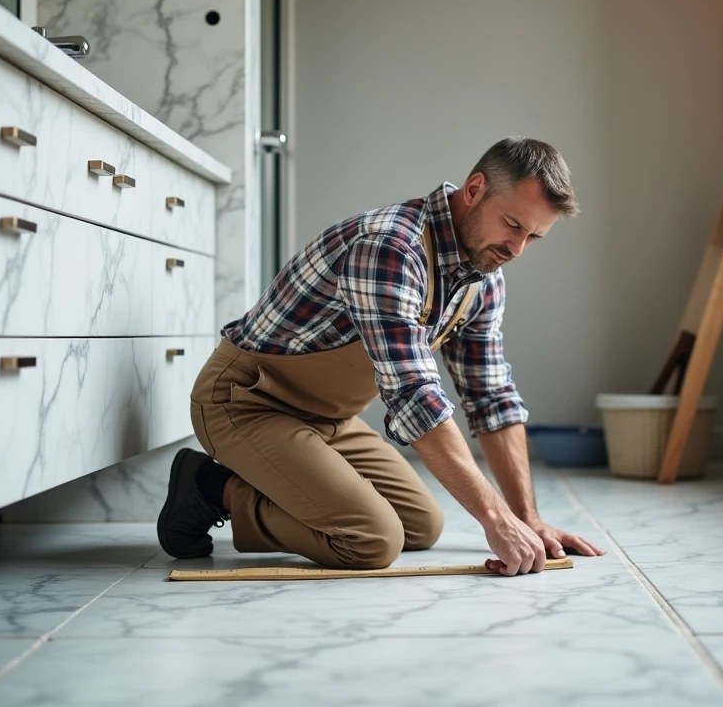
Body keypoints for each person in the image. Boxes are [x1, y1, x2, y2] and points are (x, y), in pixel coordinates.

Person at [157, 136, 605, 576]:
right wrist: (495, 517)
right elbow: (413, 394)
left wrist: (525, 517)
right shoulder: (390, 247)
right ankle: (211, 488)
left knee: (420, 525)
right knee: (371, 539)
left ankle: (278, 479)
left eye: (534, 236)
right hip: (245, 403)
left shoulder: (483, 277)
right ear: (474, 190)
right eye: (512, 224)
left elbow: (491, 398)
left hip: (327, 419)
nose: (517, 249)